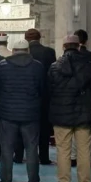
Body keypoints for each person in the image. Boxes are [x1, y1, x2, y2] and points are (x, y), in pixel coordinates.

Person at [49, 35, 91, 182]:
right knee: (84, 151)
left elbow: (49, 90)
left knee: (63, 150)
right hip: (83, 113)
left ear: (64, 47)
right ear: (79, 46)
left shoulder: (54, 67)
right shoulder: (89, 66)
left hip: (61, 113)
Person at [0, 39, 44, 182]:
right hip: (30, 114)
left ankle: (5, 181)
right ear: (28, 50)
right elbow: (42, 89)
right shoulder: (37, 66)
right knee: (31, 149)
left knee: (6, 149)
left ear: (13, 50)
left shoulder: (2, 66)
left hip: (8, 114)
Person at [25, 28, 56, 165]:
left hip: (27, 95)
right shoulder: (49, 52)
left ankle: (21, 156)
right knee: (43, 128)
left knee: (25, 127)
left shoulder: (24, 52)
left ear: (26, 39)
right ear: (39, 38)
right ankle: (44, 156)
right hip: (45, 95)